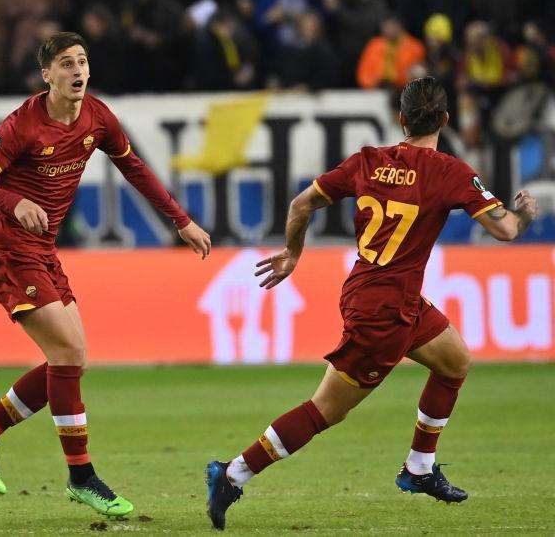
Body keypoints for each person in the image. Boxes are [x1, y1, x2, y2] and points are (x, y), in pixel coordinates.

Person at [204, 76, 539, 530]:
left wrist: (292, 254)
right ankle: (232, 474)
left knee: (455, 361)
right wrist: (522, 213)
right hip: (383, 313)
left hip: (381, 294)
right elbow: (504, 231)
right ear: (444, 119)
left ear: (400, 119)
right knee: (325, 409)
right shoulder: (450, 172)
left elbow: (301, 205)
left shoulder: (367, 161)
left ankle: (419, 468)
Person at [0, 31, 212, 517]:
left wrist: (181, 220)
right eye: (66, 64)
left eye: (83, 62)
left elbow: (135, 169)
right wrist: (15, 200)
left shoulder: (98, 116)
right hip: (6, 247)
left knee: (70, 361)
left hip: (43, 248)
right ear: (46, 74)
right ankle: (82, 476)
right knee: (69, 354)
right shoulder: (22, 125)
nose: (78, 72)